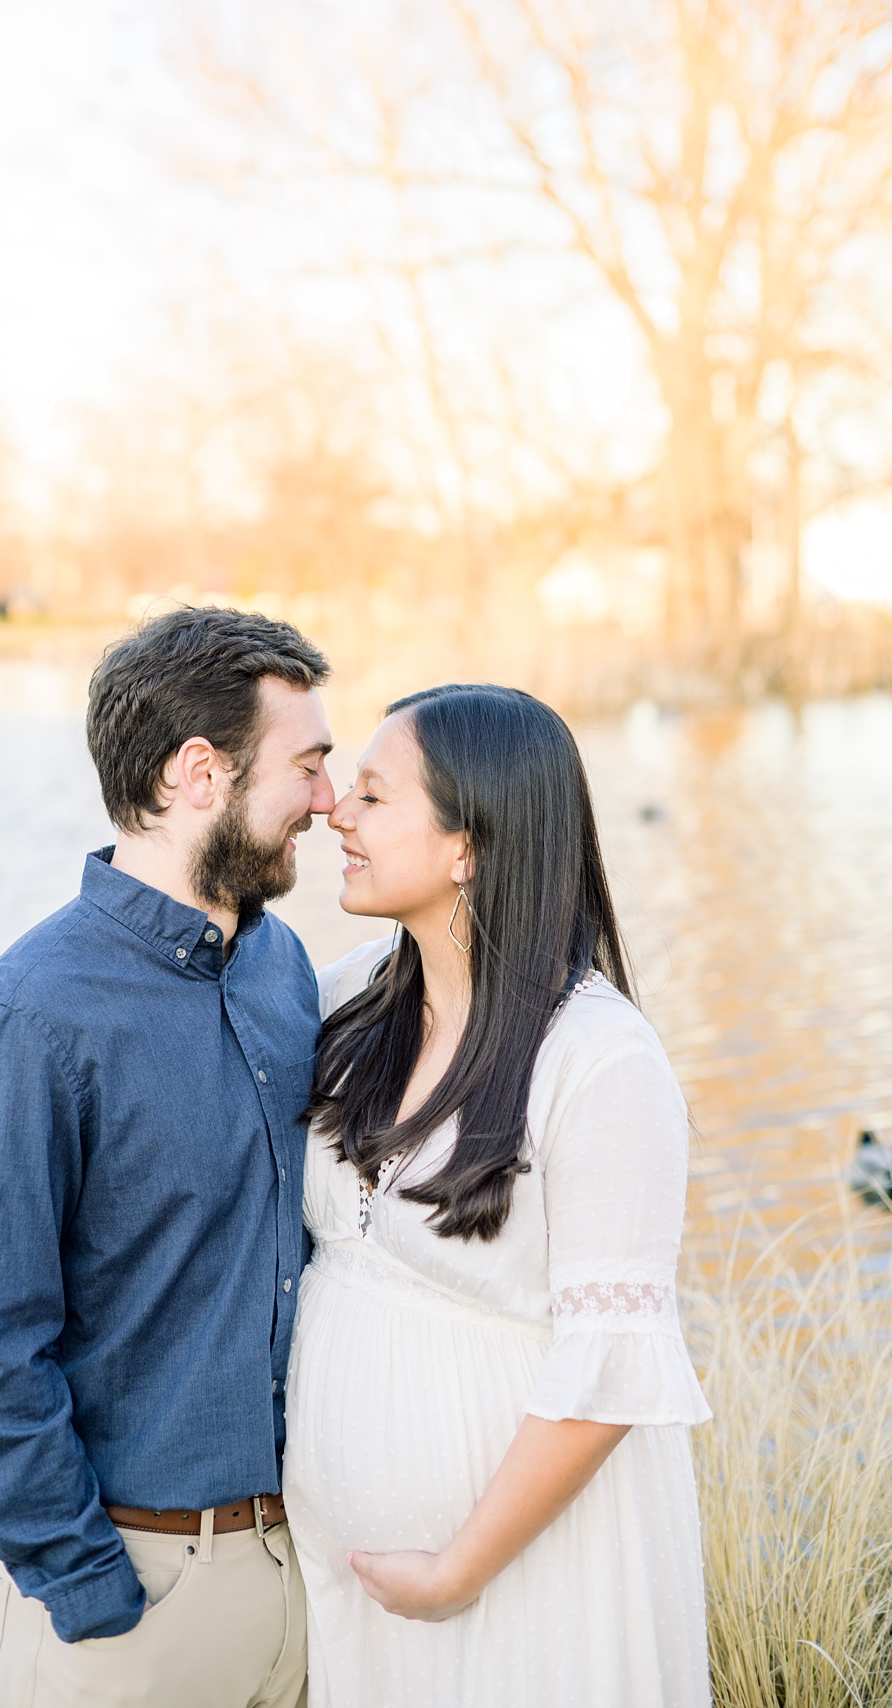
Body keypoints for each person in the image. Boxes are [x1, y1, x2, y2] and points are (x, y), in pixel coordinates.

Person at [0, 606, 335, 1708]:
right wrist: (91, 1590)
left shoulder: (283, 967)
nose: (329, 799)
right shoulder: (28, 1017)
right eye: (308, 764)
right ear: (201, 771)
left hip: (307, 1578)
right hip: (132, 1606)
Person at [284, 685, 710, 1704]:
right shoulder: (346, 999)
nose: (338, 807)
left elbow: (610, 1370)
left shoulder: (600, 1060)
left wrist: (456, 1569)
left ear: (468, 845)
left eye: (377, 796)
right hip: (361, 1592)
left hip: (531, 1580)